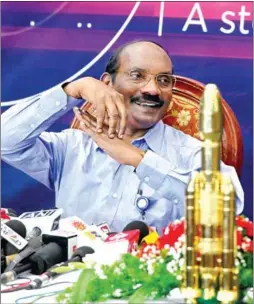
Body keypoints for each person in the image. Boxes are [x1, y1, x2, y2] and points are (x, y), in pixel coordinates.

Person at [1, 40, 244, 233]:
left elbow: (228, 206)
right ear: (107, 83)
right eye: (137, 76)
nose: (152, 90)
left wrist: (139, 160)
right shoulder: (73, 146)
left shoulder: (191, 152)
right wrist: (73, 90)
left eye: (164, 80)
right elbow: (6, 140)